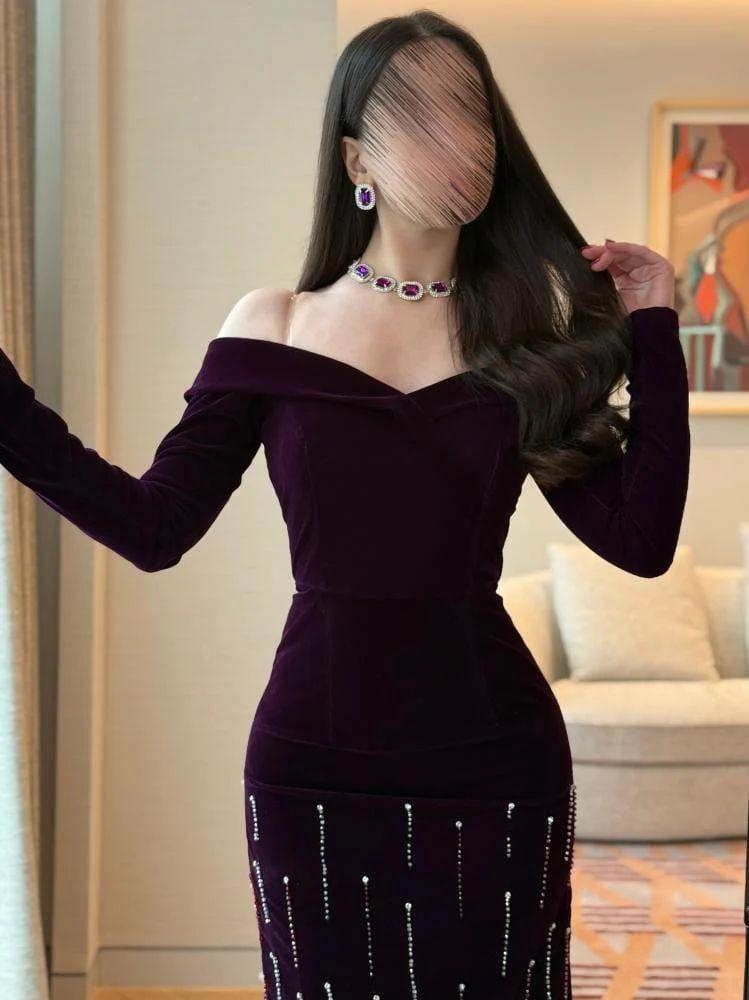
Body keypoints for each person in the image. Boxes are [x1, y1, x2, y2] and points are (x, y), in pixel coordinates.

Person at [0, 11, 690, 998]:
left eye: (471, 111)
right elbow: (154, 528)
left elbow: (639, 541)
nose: (456, 136)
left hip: (495, 764)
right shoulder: (274, 326)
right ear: (356, 156)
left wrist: (653, 326)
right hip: (313, 766)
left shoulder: (524, 346)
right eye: (418, 110)